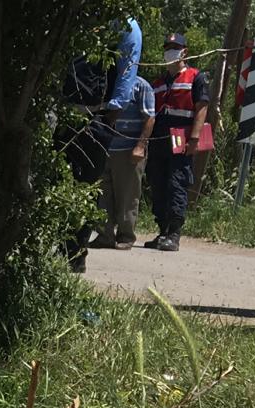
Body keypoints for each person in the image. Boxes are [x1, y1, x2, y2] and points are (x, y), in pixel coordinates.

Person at [59, 17, 142, 271]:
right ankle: (56, 248)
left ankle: (74, 254)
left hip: (95, 119)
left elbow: (127, 72)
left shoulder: (125, 24)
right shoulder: (76, 14)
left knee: (86, 186)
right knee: (56, 182)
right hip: (59, 115)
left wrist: (109, 116)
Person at [145, 33, 209, 252]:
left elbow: (201, 108)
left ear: (184, 52)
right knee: (158, 184)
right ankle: (162, 230)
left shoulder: (195, 77)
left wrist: (194, 138)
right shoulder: (158, 82)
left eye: (175, 47)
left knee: (176, 184)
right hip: (159, 141)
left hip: (181, 138)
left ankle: (174, 234)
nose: (170, 51)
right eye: (167, 47)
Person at [92, 73, 155, 249]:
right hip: (105, 148)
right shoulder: (107, 81)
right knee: (102, 194)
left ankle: (126, 237)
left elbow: (150, 117)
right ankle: (104, 235)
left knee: (127, 195)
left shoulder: (141, 85)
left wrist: (140, 146)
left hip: (128, 151)